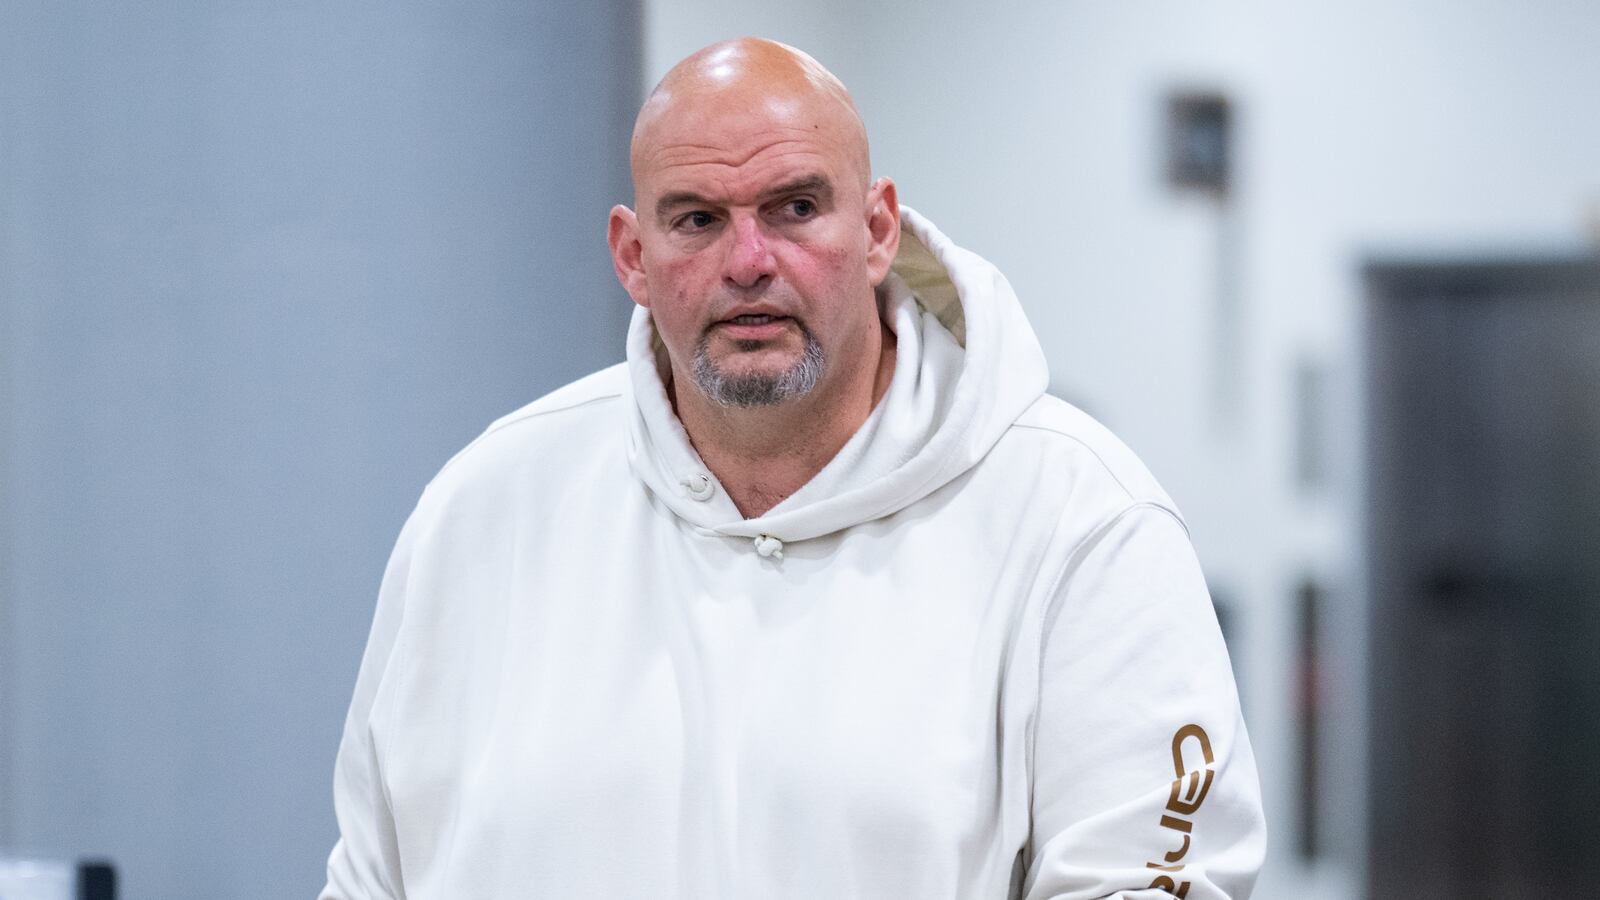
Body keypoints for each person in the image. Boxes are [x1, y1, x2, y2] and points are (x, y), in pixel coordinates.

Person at [320, 37, 1266, 900]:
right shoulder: (483, 516)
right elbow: (371, 878)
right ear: (632, 255)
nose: (748, 261)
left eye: (796, 208)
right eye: (696, 219)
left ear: (879, 230)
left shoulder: (1080, 521)